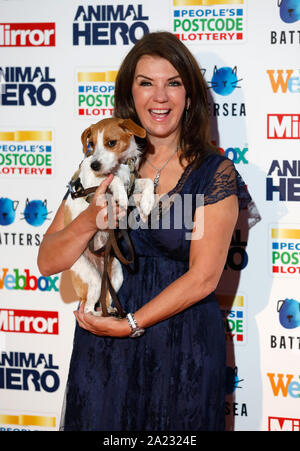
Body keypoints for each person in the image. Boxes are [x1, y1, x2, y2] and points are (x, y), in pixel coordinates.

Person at [37, 31, 251, 431]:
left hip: (181, 347)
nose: (160, 97)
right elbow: (48, 261)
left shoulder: (214, 173)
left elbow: (204, 278)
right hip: (104, 346)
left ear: (189, 94)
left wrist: (131, 323)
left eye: (173, 82)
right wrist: (89, 220)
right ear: (128, 94)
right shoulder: (98, 167)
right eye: (146, 83)